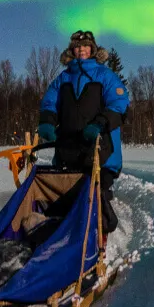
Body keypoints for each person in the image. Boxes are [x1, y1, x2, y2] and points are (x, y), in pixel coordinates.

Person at [36, 30, 128, 233]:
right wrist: (48, 122)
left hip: (100, 152)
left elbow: (119, 103)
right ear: (72, 51)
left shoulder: (105, 75)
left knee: (94, 189)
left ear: (92, 49)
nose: (81, 50)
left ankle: (100, 220)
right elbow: (50, 102)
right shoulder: (63, 78)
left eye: (85, 46)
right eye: (77, 47)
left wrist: (100, 124)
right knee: (63, 192)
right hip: (68, 152)